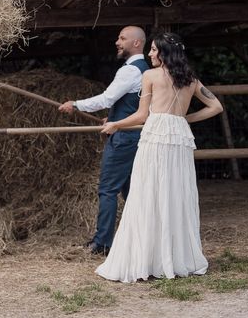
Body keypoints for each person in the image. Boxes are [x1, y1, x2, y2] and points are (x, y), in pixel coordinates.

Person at [95, 32, 223, 282]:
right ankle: (175, 258)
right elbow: (216, 106)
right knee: (176, 193)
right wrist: (184, 119)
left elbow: (142, 115)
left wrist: (116, 124)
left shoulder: (150, 76)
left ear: (164, 52)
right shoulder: (191, 79)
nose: (150, 54)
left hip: (155, 136)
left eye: (154, 50)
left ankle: (147, 257)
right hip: (179, 136)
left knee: (148, 192)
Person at [59, 25, 149, 255]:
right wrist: (114, 118)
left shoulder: (130, 70)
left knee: (108, 190)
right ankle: (137, 238)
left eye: (122, 38)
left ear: (137, 43)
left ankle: (102, 243)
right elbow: (132, 104)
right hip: (133, 135)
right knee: (131, 190)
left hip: (124, 139)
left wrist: (76, 104)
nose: (117, 42)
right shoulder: (143, 69)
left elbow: (107, 98)